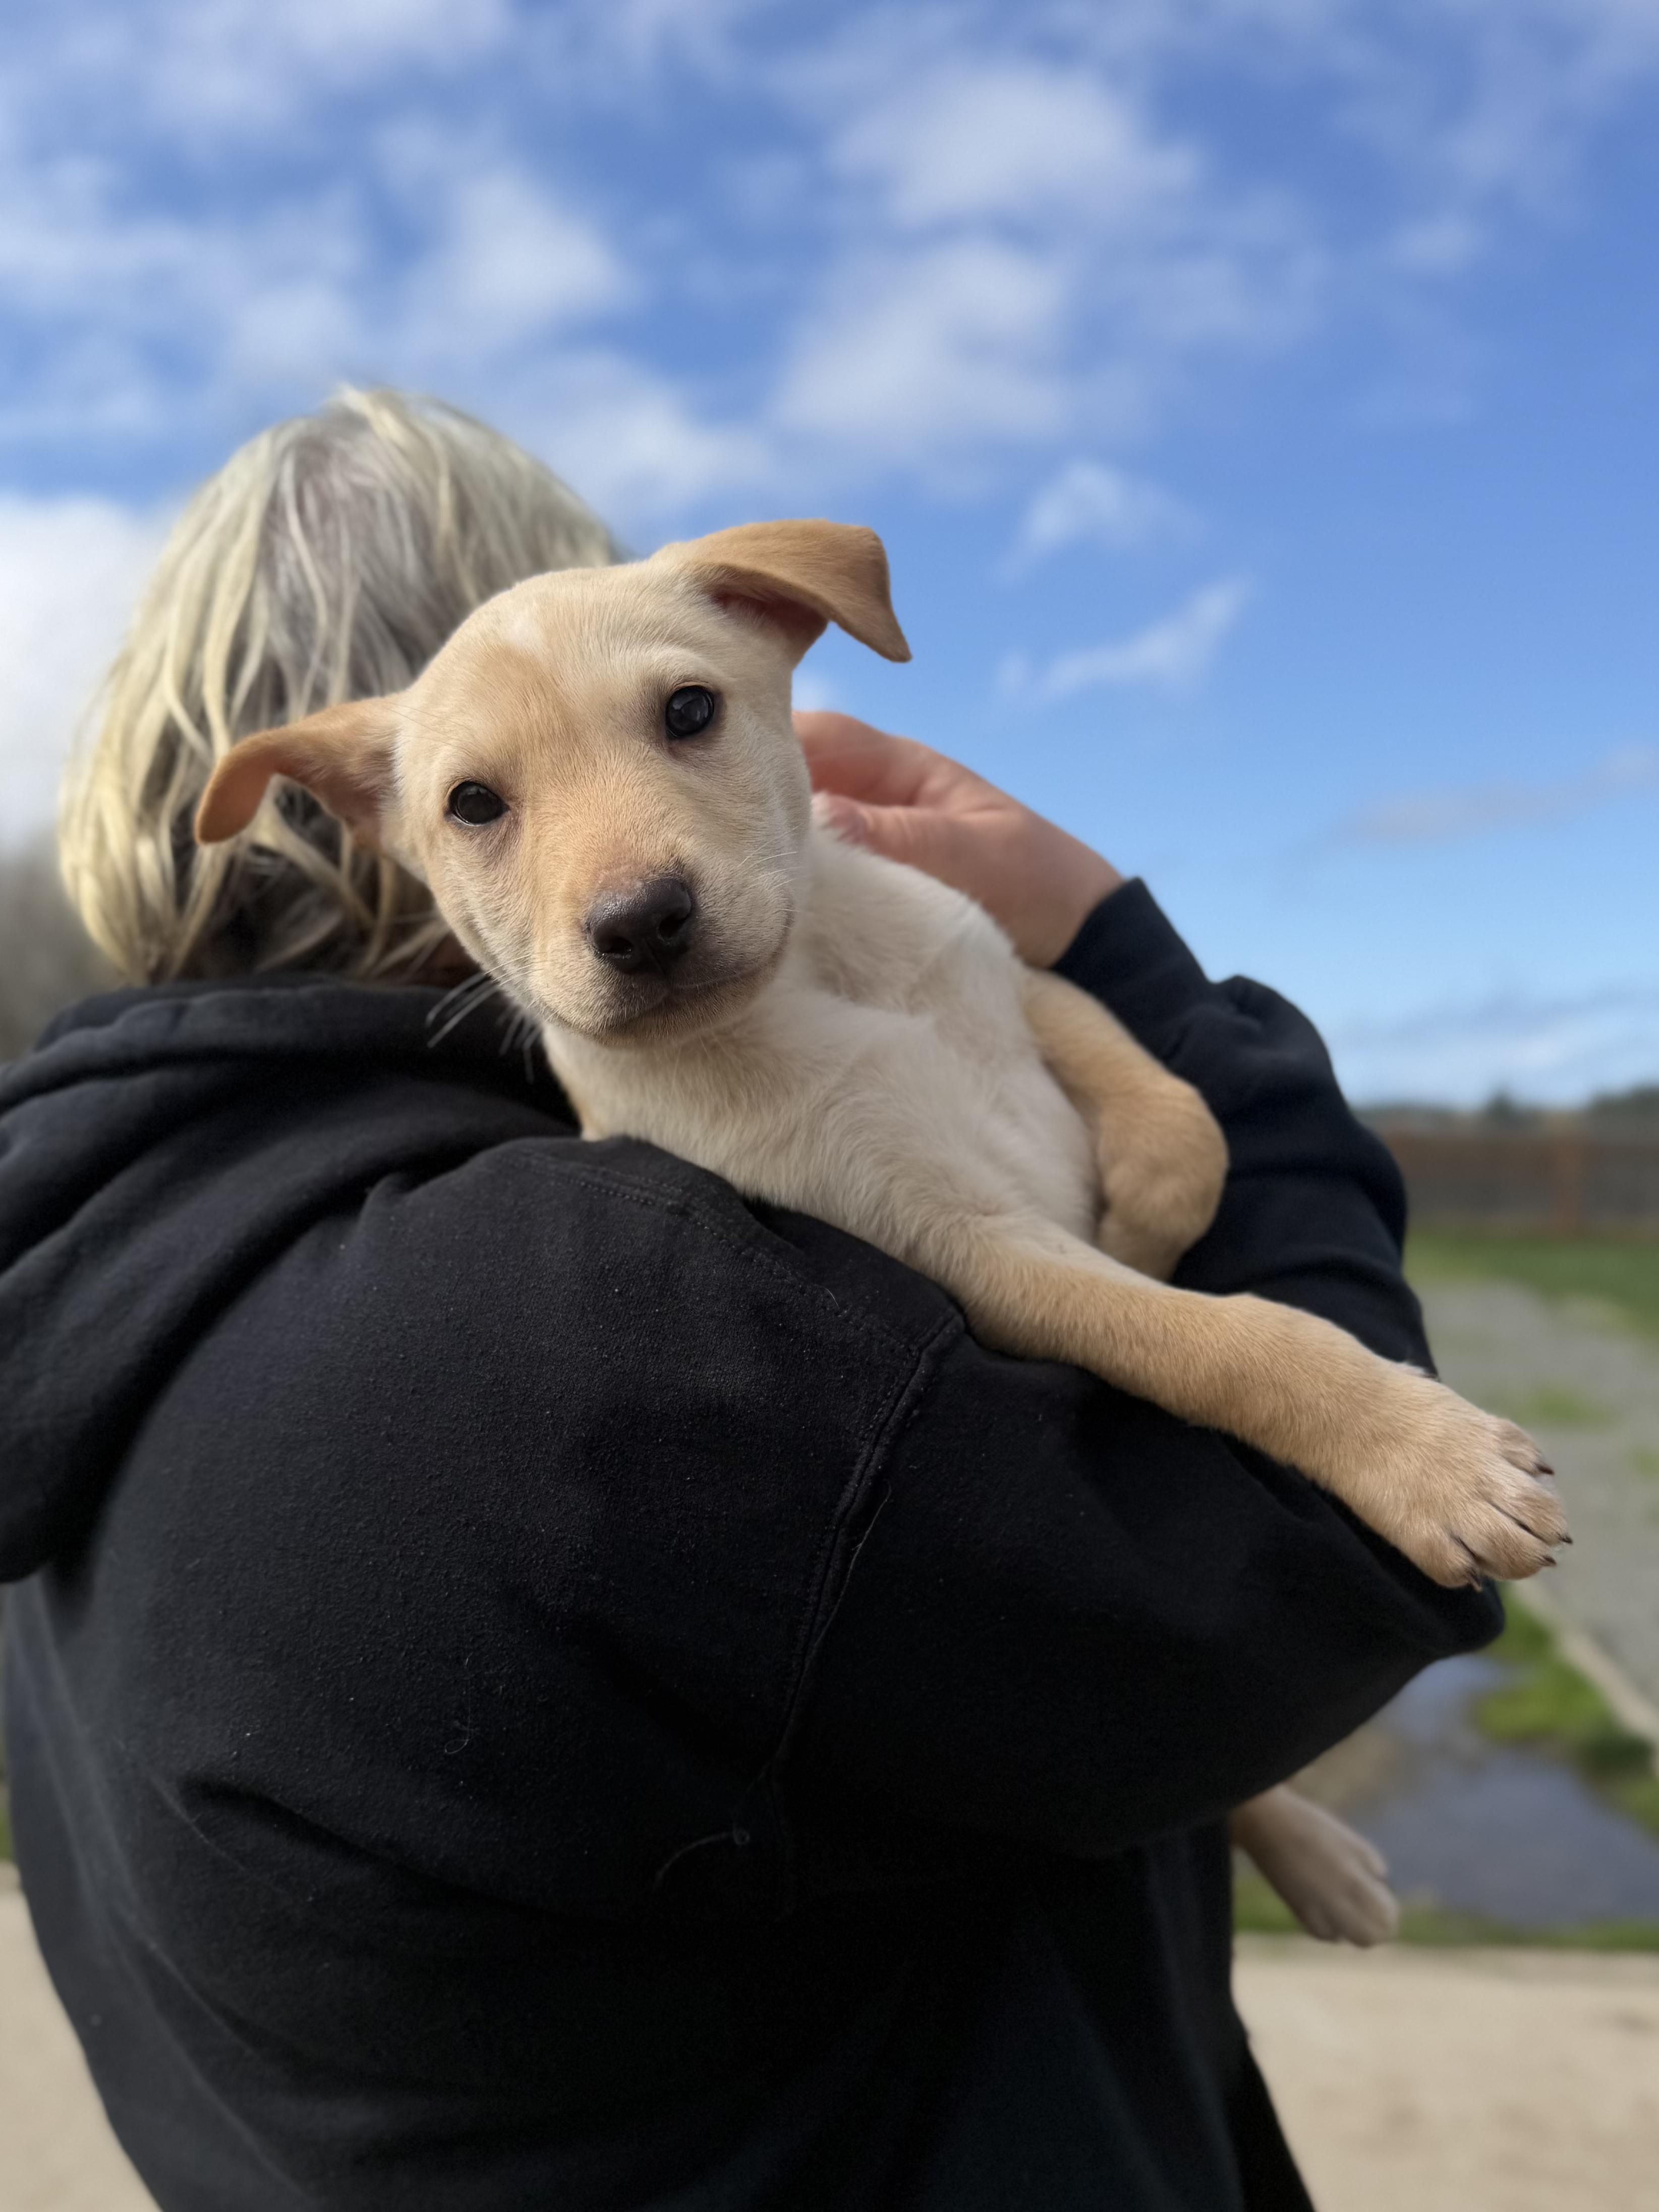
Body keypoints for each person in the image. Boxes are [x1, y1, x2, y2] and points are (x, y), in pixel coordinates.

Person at [1, 387, 1499, 2212]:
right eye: (484, 796)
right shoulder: (618, 1295)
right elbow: (1328, 1559)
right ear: (357, 816)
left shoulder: (99, 1278)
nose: (617, 870)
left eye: (680, 712)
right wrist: (1136, 966)